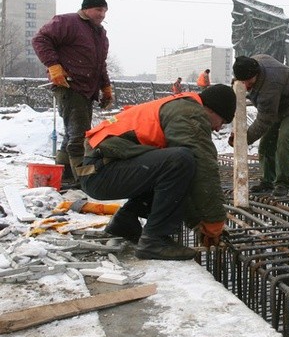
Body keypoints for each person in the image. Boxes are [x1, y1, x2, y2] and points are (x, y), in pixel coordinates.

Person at [77, 84, 237, 260]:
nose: (219, 129)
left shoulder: (180, 107)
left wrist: (198, 223)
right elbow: (203, 168)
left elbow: (180, 182)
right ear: (212, 110)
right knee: (180, 159)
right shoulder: (190, 114)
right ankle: (155, 240)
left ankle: (125, 222)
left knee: (172, 163)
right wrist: (214, 221)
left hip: (100, 171)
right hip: (101, 173)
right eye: (222, 122)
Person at [32, 0, 113, 187]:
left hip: (87, 89)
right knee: (79, 135)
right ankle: (83, 179)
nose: (102, 14)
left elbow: (99, 64)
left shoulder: (100, 34)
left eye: (105, 11)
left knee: (72, 133)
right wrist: (53, 65)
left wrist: (106, 87)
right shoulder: (67, 22)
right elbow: (40, 39)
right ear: (86, 9)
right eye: (98, 9)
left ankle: (64, 175)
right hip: (70, 85)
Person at [230, 54, 289, 197]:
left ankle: (282, 183)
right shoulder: (253, 63)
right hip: (278, 103)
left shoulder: (270, 84)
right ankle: (268, 181)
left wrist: (243, 139)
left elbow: (265, 119)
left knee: (284, 140)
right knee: (266, 143)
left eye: (248, 82)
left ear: (256, 74)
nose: (246, 86)